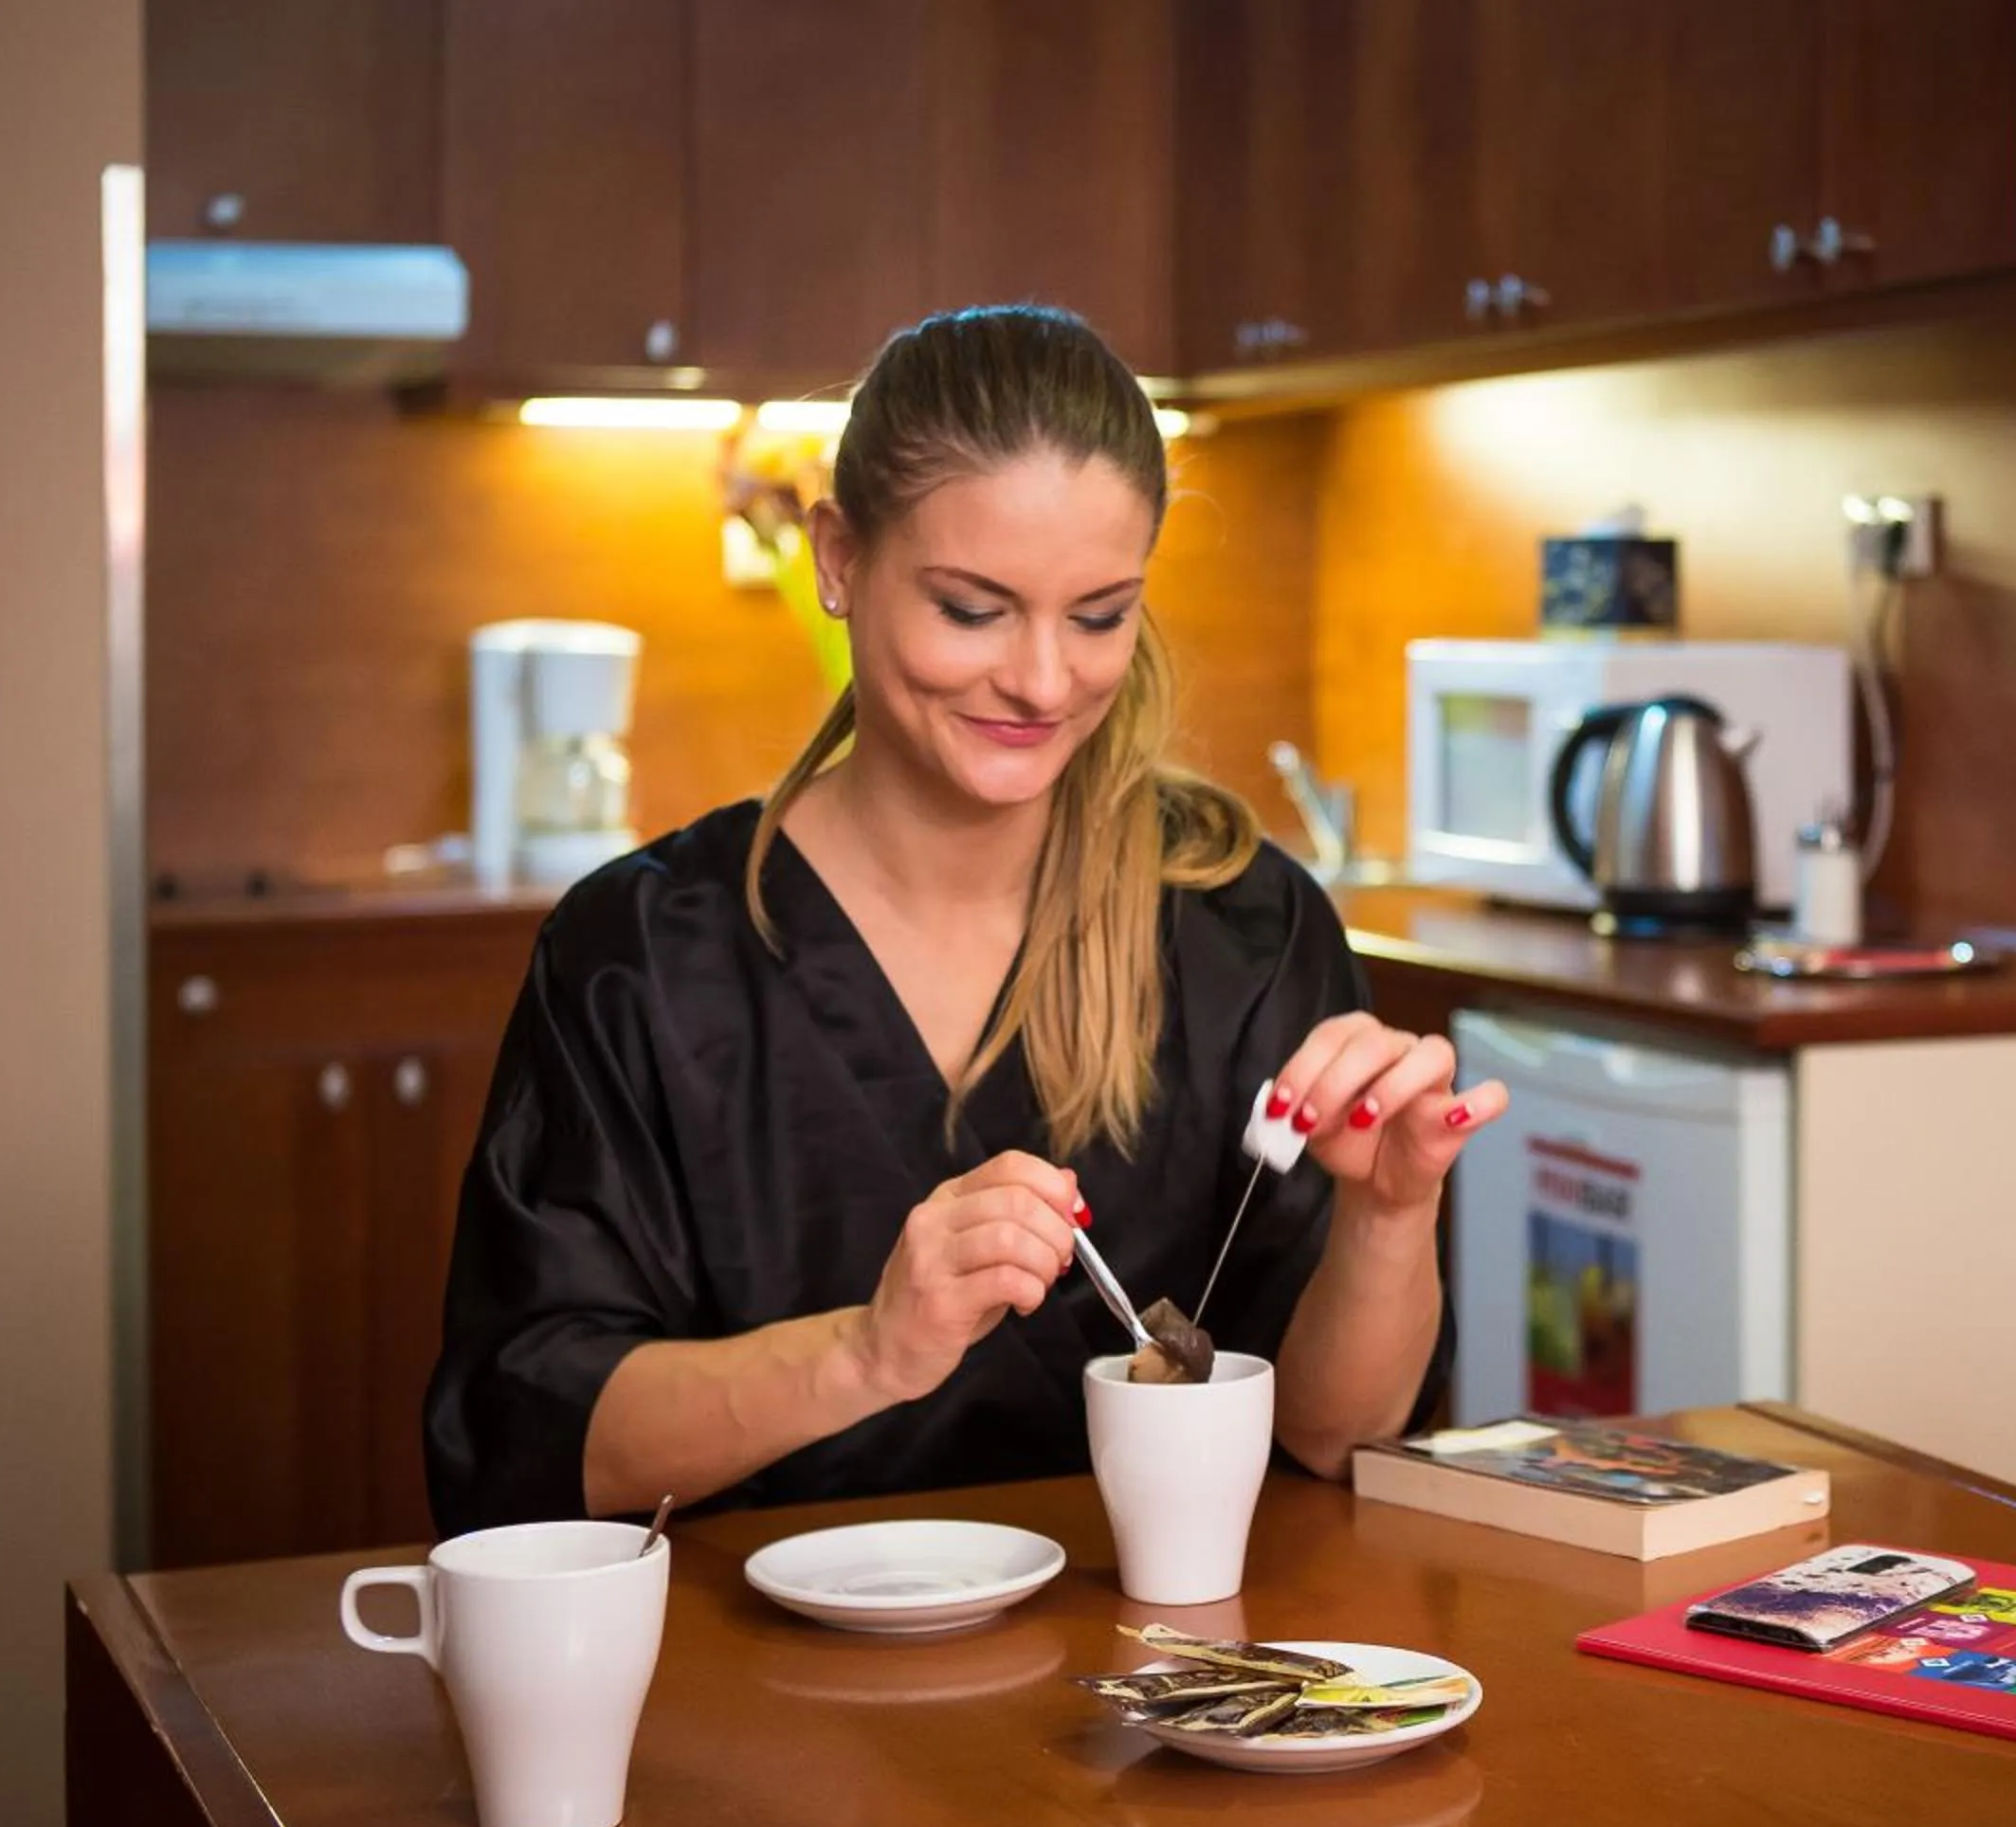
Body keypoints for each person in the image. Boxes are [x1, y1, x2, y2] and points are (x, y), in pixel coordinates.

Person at [424, 305, 1504, 1534]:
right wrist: (868, 1355)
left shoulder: (1241, 928)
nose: (1045, 682)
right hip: (749, 1702)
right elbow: (539, 1447)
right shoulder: (641, 961)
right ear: (837, 558)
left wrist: (1389, 1212)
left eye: (1099, 616)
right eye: (972, 609)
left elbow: (1334, 1438)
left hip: (1157, 1686)